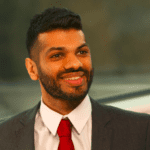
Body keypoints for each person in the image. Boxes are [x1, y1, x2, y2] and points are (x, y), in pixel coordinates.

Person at [0, 7, 150, 150]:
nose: (75, 64)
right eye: (57, 55)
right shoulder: (4, 137)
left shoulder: (141, 131)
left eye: (82, 52)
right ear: (32, 69)